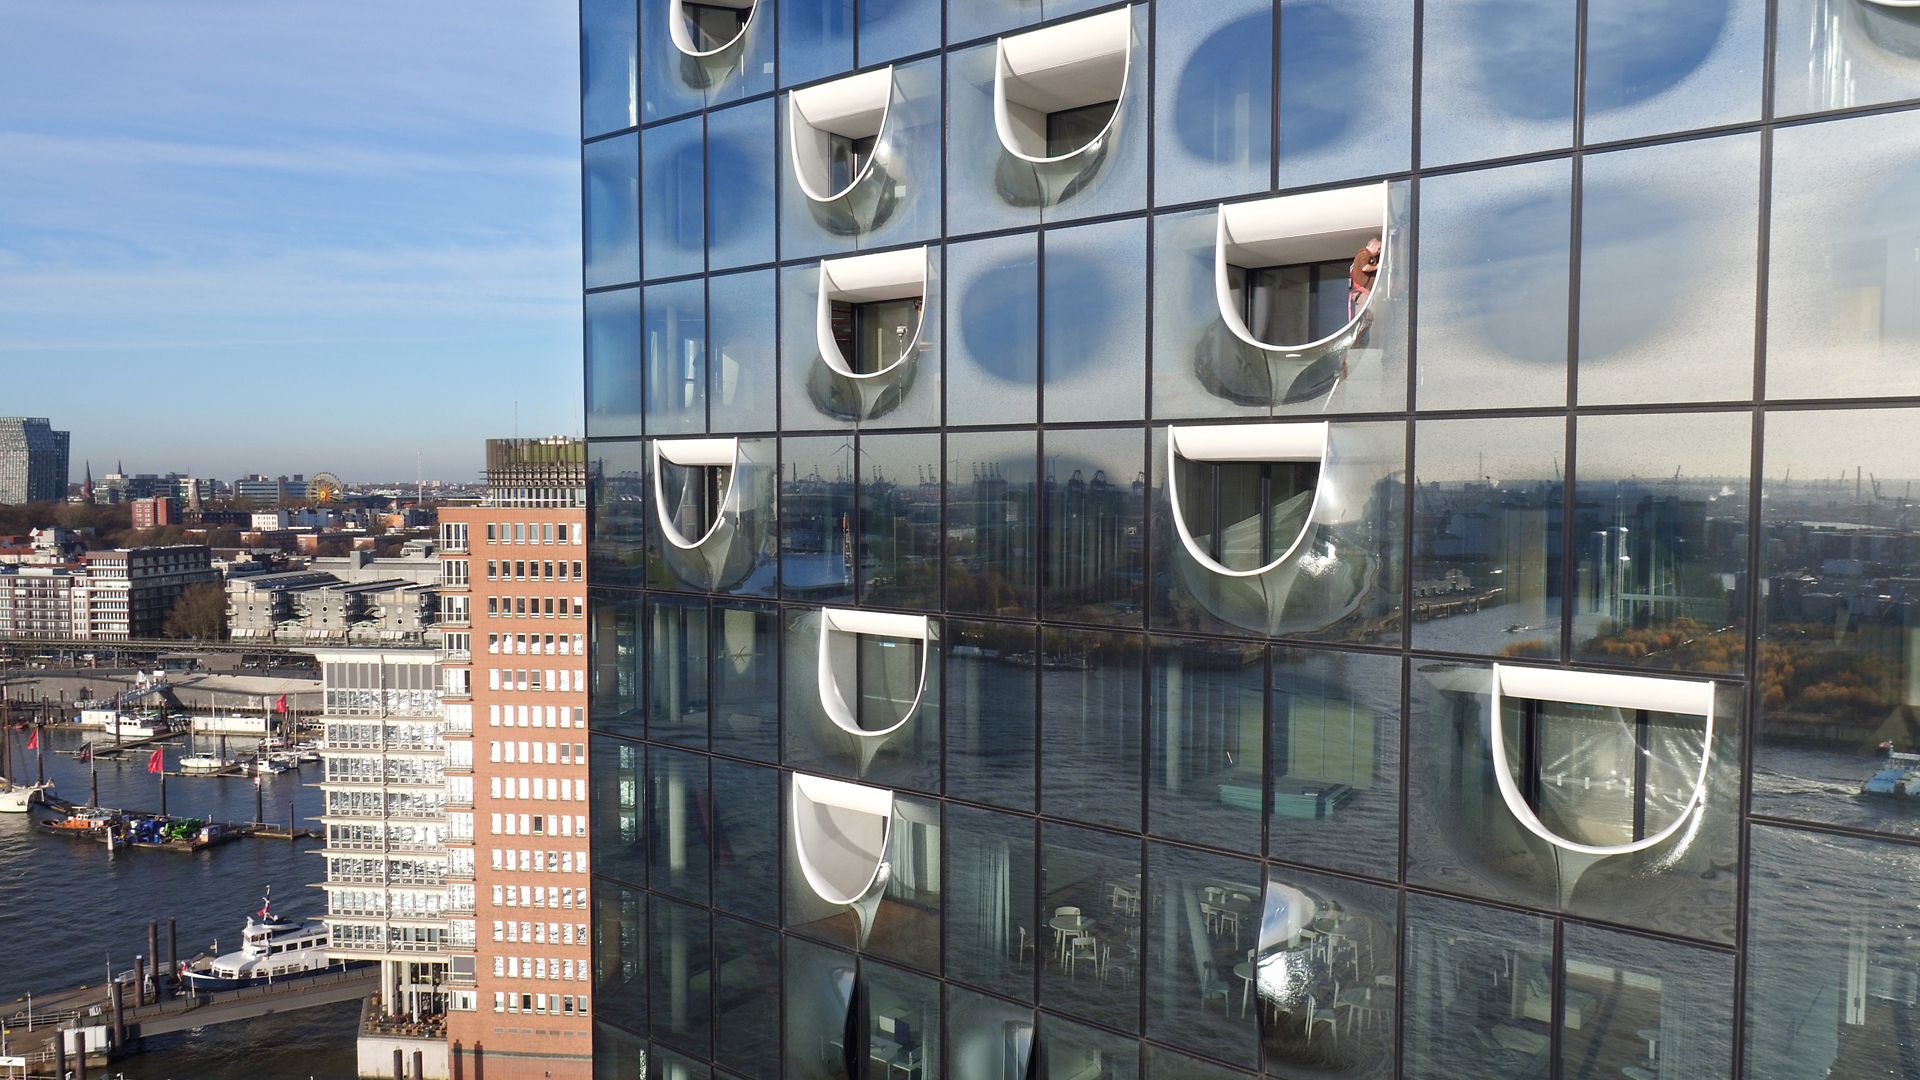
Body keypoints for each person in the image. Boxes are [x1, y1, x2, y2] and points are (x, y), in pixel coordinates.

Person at [1349, 236, 1382, 318]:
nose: (1379, 251)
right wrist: (1377, 267)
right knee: (1363, 317)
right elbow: (1365, 267)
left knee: (1368, 316)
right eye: (1379, 248)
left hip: (1364, 292)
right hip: (1362, 293)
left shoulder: (1370, 256)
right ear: (1372, 246)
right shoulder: (1364, 254)